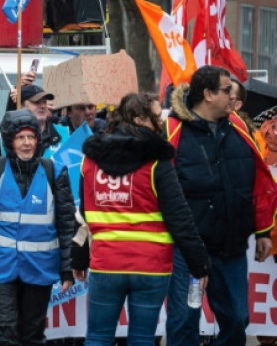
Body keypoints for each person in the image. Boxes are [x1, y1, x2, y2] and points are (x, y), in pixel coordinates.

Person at [71, 93, 209, 346]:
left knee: (98, 337)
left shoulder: (90, 161)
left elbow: (83, 215)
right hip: (151, 265)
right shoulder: (157, 162)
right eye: (156, 117)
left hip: (106, 263)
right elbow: (180, 217)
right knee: (142, 339)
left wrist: (78, 255)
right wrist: (198, 264)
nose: (161, 123)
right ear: (138, 119)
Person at [165, 65, 277, 346]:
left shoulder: (240, 127)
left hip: (231, 248)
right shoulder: (172, 130)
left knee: (238, 320)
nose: (234, 95)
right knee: (183, 323)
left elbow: (259, 182)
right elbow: (157, 188)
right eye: (227, 90)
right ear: (208, 94)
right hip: (188, 250)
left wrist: (264, 231)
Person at [0, 109, 76, 346]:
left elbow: (67, 224)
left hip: (40, 268)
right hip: (0, 268)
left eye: (31, 137)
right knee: (3, 332)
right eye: (20, 137)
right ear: (9, 141)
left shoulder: (54, 172)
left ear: (38, 140)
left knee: (32, 335)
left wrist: (68, 268)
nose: (27, 143)